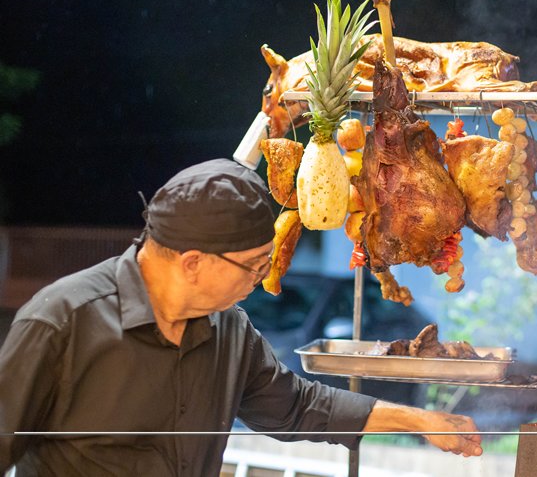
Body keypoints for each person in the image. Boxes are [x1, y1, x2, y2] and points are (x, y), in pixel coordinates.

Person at [0, 159, 482, 476]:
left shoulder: (228, 329)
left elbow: (297, 407)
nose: (261, 278)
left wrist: (419, 420)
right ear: (192, 263)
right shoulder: (63, 321)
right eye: (253, 266)